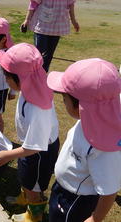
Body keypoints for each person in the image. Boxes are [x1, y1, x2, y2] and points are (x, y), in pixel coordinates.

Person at [46, 58, 121, 222]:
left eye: (64, 99)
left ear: (82, 106)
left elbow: (109, 189)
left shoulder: (104, 147)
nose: (63, 102)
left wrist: (95, 218)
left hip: (76, 200)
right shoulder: (91, 118)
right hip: (63, 189)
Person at [0, 43, 59, 222]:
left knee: (34, 185)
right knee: (25, 177)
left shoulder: (38, 109)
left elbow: (35, 147)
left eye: (7, 75)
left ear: (22, 78)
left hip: (39, 152)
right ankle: (25, 198)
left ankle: (34, 215)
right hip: (29, 145)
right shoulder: (31, 87)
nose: (4, 77)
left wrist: (7, 155)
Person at [21, 0, 80, 72]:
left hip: (57, 27)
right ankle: (32, 72)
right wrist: (27, 20)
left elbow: (71, 5)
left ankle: (43, 73)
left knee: (49, 54)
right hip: (42, 26)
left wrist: (74, 21)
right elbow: (34, 3)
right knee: (38, 53)